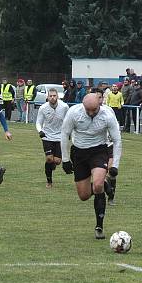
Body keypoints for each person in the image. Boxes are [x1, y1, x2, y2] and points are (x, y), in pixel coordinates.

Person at [60, 93, 122, 239]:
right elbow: (64, 134)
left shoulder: (107, 115)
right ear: (83, 105)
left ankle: (99, 226)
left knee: (98, 186)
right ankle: (104, 185)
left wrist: (115, 166)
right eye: (88, 110)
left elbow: (117, 140)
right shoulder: (74, 113)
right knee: (84, 195)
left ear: (99, 105)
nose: (91, 113)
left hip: (99, 151)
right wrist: (65, 159)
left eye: (94, 110)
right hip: (79, 153)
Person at [35, 87, 69, 188]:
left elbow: (69, 121)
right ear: (47, 97)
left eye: (54, 96)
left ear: (58, 96)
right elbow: (38, 122)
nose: (53, 98)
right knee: (49, 159)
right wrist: (40, 131)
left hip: (60, 137)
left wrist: (69, 132)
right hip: (47, 136)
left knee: (57, 161)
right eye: (50, 96)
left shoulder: (64, 107)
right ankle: (49, 181)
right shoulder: (43, 108)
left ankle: (53, 163)